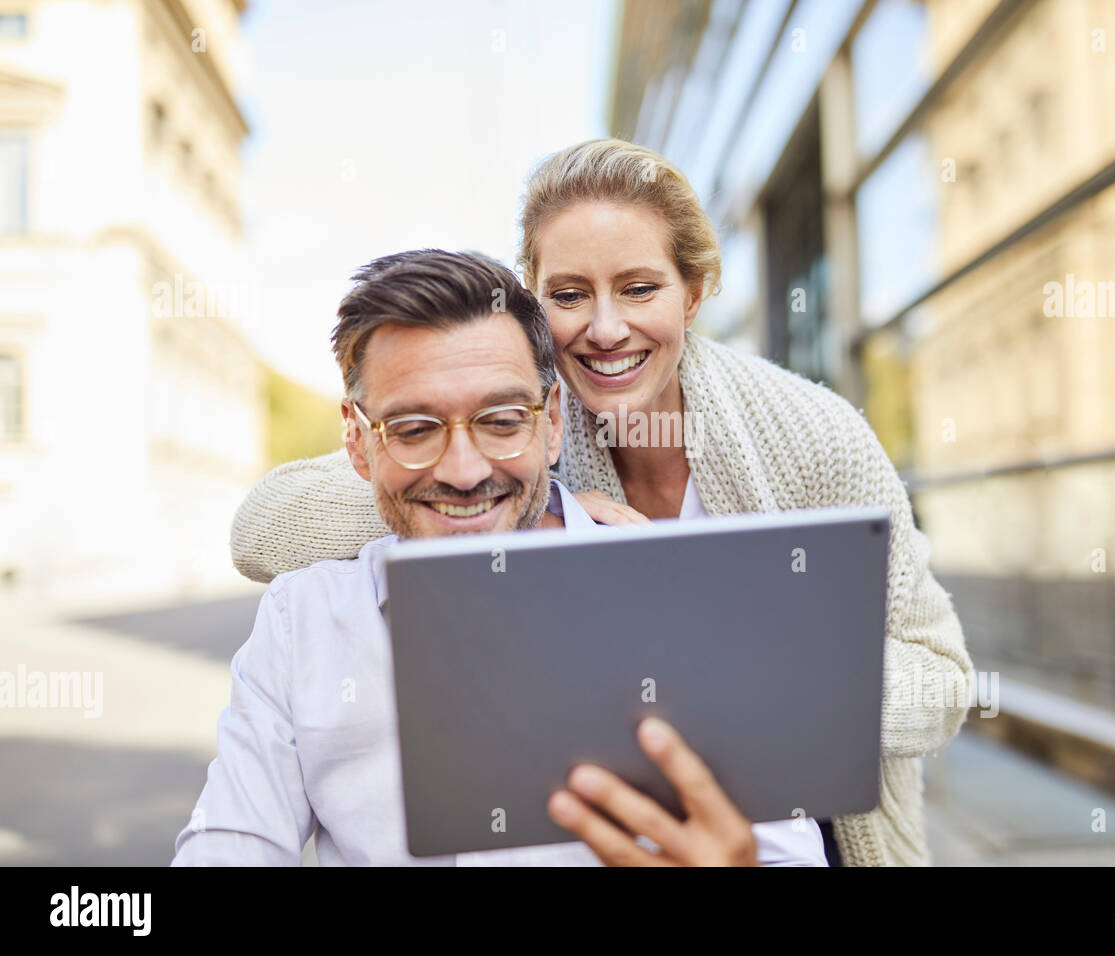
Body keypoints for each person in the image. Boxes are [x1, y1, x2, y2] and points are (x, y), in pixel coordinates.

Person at [228, 139, 975, 866]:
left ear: (693, 292)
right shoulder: (521, 419)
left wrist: (745, 684)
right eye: (569, 295)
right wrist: (530, 495)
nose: (605, 327)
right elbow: (262, 529)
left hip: (808, 818)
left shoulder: (814, 436)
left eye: (640, 289)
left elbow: (942, 676)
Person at [173, 249, 826, 866]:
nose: (463, 471)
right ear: (356, 441)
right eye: (413, 429)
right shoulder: (302, 623)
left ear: (552, 423)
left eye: (503, 420)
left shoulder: (693, 606)